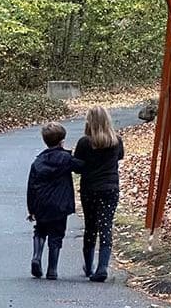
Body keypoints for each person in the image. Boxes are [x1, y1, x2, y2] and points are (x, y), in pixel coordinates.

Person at [74, 106, 124, 282]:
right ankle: (102, 266)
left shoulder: (84, 143)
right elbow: (119, 157)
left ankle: (89, 266)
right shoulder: (116, 141)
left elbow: (78, 167)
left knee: (90, 227)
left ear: (90, 122)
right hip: (110, 188)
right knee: (106, 226)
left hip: (90, 189)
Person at [27, 122, 83, 280]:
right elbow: (81, 167)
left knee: (40, 230)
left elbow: (31, 186)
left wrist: (31, 208)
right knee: (56, 235)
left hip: (41, 203)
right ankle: (52, 269)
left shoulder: (38, 162)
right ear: (62, 141)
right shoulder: (66, 159)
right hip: (60, 204)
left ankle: (36, 256)